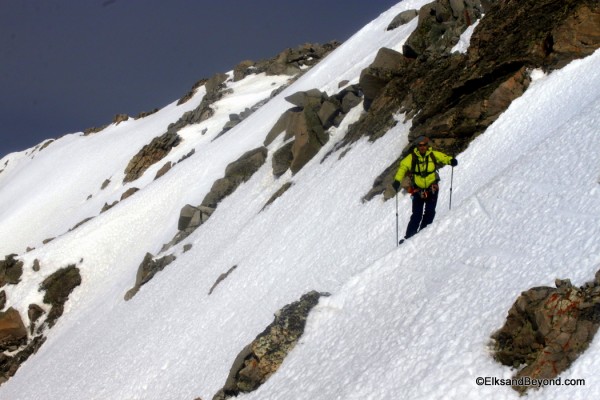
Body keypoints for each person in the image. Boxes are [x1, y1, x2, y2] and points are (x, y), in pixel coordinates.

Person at [392, 136, 457, 244]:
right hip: (417, 190)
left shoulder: (432, 154)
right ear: (417, 146)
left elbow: (443, 157)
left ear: (427, 145)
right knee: (416, 214)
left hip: (432, 188)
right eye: (420, 145)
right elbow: (403, 167)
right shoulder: (411, 157)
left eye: (424, 145)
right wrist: (397, 180)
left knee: (430, 211)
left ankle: (423, 232)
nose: (422, 147)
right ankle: (409, 237)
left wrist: (451, 161)